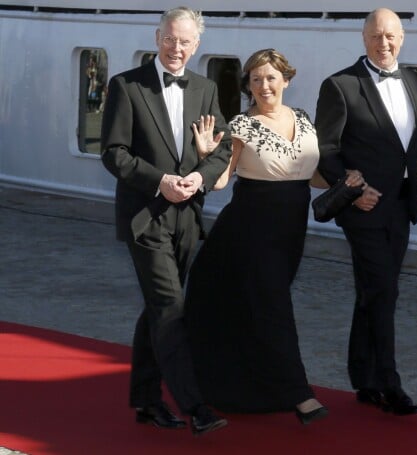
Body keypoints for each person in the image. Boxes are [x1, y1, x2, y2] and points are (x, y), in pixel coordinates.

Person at [185, 49, 359, 424]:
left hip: (291, 228)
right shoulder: (241, 125)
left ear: (286, 80)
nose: (263, 86)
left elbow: (306, 174)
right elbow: (220, 180)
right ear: (248, 85)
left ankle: (253, 387)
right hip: (248, 229)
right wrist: (204, 155)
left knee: (258, 308)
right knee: (273, 306)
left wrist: (348, 182)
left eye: (270, 78)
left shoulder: (303, 119)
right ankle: (300, 396)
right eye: (256, 79)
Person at [315, 8, 417, 416]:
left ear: (403, 38)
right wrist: (353, 190)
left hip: (401, 205)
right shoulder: (341, 85)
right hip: (363, 206)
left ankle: (362, 378)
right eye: (376, 36)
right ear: (364, 39)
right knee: (384, 290)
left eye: (391, 36)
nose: (384, 43)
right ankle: (389, 383)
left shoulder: (413, 81)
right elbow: (325, 151)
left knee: (373, 291)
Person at [100, 7, 231, 436]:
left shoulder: (207, 88)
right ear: (157, 37)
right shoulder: (126, 85)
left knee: (158, 309)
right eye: (170, 39)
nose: (177, 48)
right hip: (145, 216)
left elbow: (223, 151)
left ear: (197, 46)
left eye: (186, 42)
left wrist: (198, 176)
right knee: (171, 308)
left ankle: (145, 398)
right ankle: (196, 406)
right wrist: (161, 181)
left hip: (188, 217)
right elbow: (114, 152)